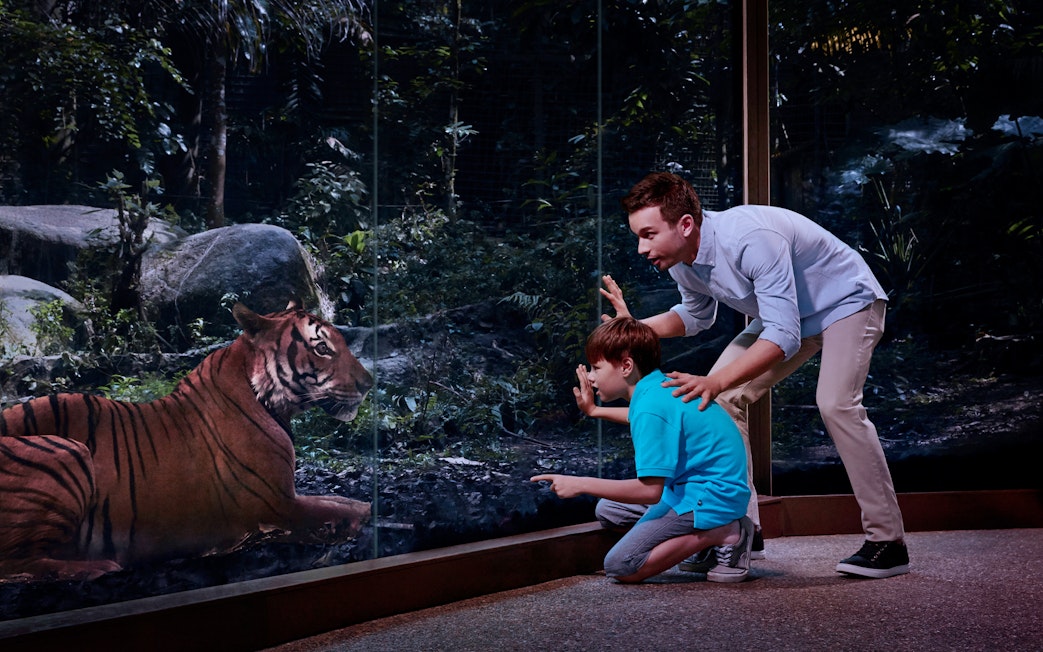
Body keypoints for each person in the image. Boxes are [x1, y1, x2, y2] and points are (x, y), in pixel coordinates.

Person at [596, 171, 908, 579]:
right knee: (718, 401)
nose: (642, 248)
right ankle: (738, 526)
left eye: (649, 234)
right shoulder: (681, 262)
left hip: (846, 302)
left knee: (835, 404)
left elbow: (784, 336)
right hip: (786, 315)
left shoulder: (749, 237)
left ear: (685, 224)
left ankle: (888, 542)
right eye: (639, 236)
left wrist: (717, 379)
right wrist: (635, 328)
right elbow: (696, 316)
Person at [531, 316, 754, 583]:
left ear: (626, 366)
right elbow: (641, 417)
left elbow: (649, 491)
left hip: (711, 496)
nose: (590, 377)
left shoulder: (651, 407)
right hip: (701, 489)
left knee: (622, 566)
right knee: (609, 511)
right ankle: (700, 531)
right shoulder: (654, 388)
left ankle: (722, 532)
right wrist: (594, 410)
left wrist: (580, 483)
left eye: (596, 368)